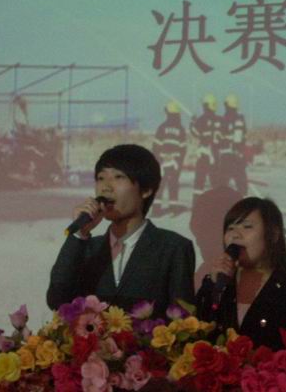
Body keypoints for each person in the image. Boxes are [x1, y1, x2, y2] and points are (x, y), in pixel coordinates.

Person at [46, 144, 195, 318]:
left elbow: (183, 321)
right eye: (101, 178)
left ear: (146, 189)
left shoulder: (173, 247)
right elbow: (57, 300)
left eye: (118, 177)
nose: (106, 187)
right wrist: (80, 234)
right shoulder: (85, 248)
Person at [195, 197, 286, 369]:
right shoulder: (215, 283)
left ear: (273, 235)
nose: (235, 234)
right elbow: (196, 341)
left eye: (247, 227)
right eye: (230, 228)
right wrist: (214, 286)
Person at [152, 100, 187, 214]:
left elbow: (156, 146)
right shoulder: (181, 129)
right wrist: (179, 162)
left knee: (160, 185)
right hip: (175, 161)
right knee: (174, 184)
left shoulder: (162, 127)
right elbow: (183, 148)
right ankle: (174, 209)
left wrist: (157, 161)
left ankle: (156, 210)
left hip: (162, 161)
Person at [190, 93, 219, 191]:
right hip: (216, 155)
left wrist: (192, 122)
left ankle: (197, 199)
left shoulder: (202, 119)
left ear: (206, 106)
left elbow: (195, 132)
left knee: (199, 180)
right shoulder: (219, 119)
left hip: (204, 154)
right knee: (215, 181)